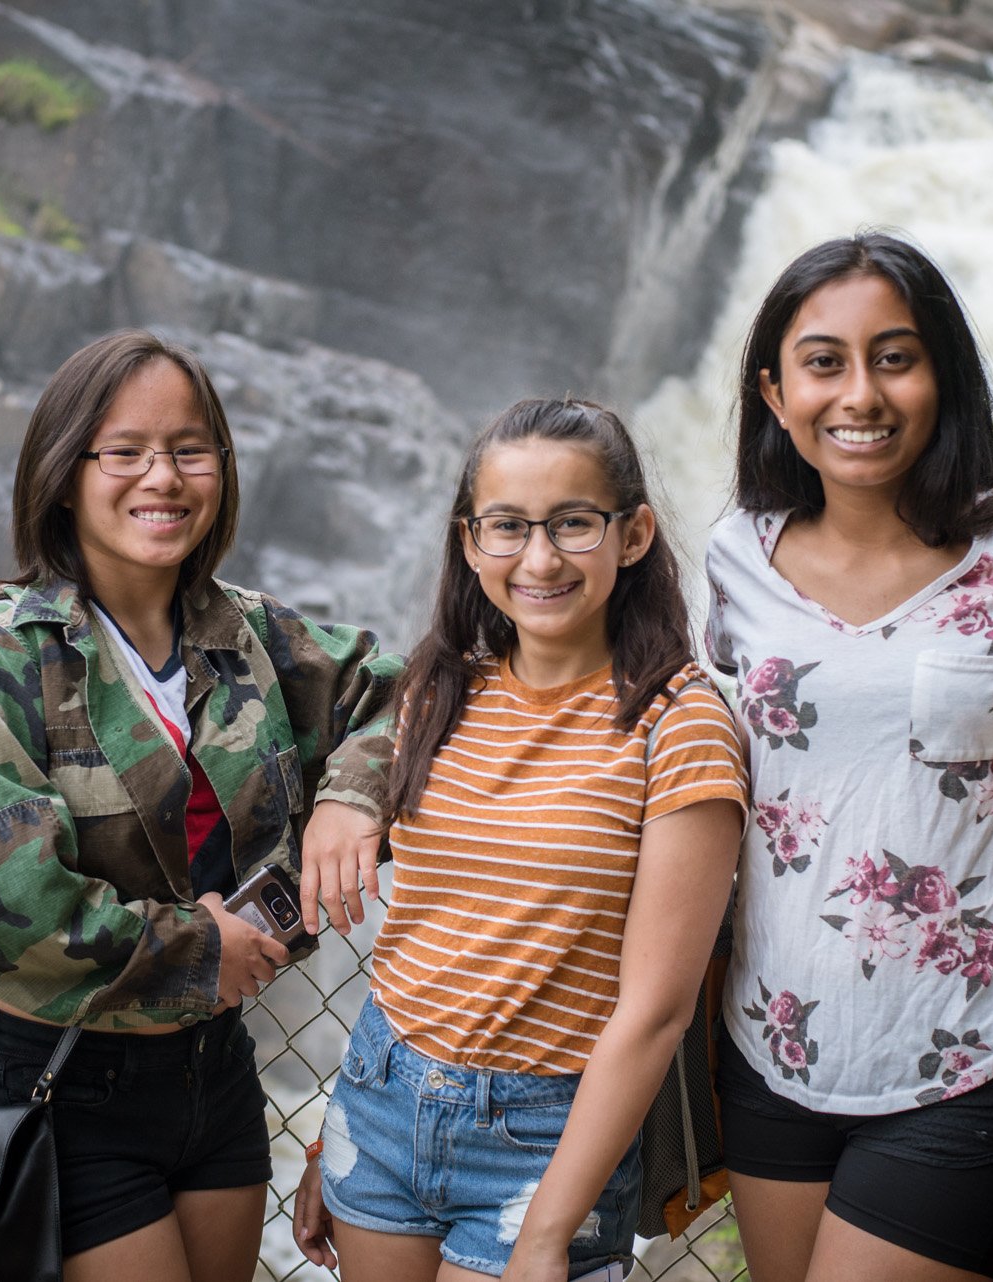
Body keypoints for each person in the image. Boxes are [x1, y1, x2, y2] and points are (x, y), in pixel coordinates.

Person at [0, 329, 402, 1282]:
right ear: (63, 473)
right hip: (61, 1080)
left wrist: (348, 795)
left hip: (214, 1070)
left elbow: (403, 692)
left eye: (189, 449)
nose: (162, 477)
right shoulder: (1, 656)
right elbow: (6, 908)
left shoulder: (243, 635)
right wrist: (202, 953)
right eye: (124, 452)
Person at [289, 397, 748, 1282]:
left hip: (548, 1133)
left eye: (574, 524)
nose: (539, 558)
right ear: (470, 542)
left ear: (635, 533)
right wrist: (334, 1132)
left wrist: (548, 1232)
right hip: (382, 1100)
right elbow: (424, 933)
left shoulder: (678, 725)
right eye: (507, 527)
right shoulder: (439, 690)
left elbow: (655, 1012)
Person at [703, 233, 993, 1281]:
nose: (860, 394)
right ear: (775, 392)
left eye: (896, 357)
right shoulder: (736, 557)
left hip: (968, 1050)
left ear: (944, 376)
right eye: (825, 362)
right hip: (774, 1043)